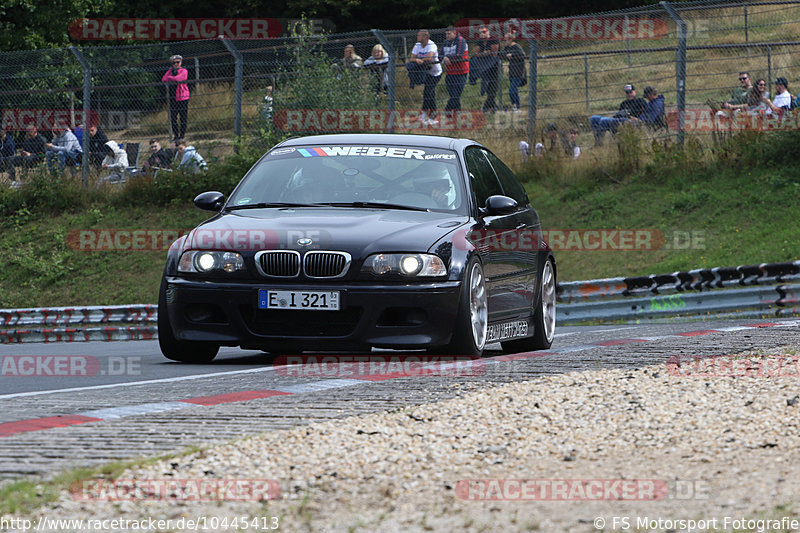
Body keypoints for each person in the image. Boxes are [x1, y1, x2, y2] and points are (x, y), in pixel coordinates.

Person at [406, 30, 442, 126]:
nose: (417, 37)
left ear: (425, 37)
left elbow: (429, 58)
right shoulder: (417, 45)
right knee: (427, 93)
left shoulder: (431, 45)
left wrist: (419, 60)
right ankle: (425, 113)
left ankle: (433, 116)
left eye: (419, 36)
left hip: (435, 73)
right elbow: (411, 58)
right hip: (425, 72)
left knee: (429, 92)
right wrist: (417, 60)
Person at [469, 25, 500, 113]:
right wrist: (485, 53)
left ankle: (486, 108)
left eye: (484, 32)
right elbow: (477, 54)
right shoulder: (480, 41)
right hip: (484, 67)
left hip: (494, 66)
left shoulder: (493, 39)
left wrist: (484, 54)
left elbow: (494, 53)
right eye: (481, 32)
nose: (482, 34)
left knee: (493, 87)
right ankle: (494, 107)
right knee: (487, 87)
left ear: (488, 32)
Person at [440, 26, 469, 113]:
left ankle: (447, 110)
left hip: (461, 72)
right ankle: (457, 111)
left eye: (449, 34)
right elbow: (439, 55)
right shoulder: (445, 43)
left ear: (454, 33)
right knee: (453, 94)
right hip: (450, 72)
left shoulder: (461, 41)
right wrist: (444, 58)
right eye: (446, 34)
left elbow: (458, 55)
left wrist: (447, 57)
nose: (447, 36)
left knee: (456, 95)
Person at [162, 54, 190, 141]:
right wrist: (172, 77)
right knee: (173, 117)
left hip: (182, 97)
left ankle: (182, 135)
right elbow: (164, 79)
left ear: (181, 62)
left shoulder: (184, 71)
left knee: (183, 117)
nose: (176, 64)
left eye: (178, 62)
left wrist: (171, 78)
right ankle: (176, 136)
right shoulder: (170, 71)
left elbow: (179, 79)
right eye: (174, 63)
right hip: (173, 97)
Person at [503, 32, 526, 112]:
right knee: (514, 90)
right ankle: (515, 105)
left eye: (505, 40)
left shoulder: (517, 47)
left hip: (518, 71)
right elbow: (502, 54)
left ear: (510, 39)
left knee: (512, 90)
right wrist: (506, 55)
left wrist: (512, 55)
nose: (504, 42)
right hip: (512, 71)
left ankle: (517, 105)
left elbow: (522, 56)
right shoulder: (507, 48)